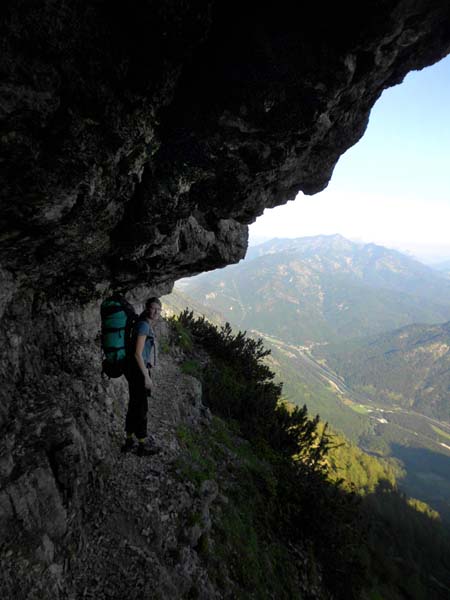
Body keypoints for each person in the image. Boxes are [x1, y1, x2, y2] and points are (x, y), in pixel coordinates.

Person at [121, 297, 162, 456]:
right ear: (147, 308)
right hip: (138, 371)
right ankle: (142, 445)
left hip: (133, 369)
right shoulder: (144, 326)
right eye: (153, 308)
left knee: (134, 405)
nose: (156, 312)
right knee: (141, 409)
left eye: (158, 309)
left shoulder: (141, 322)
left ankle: (129, 440)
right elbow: (137, 354)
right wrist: (146, 376)